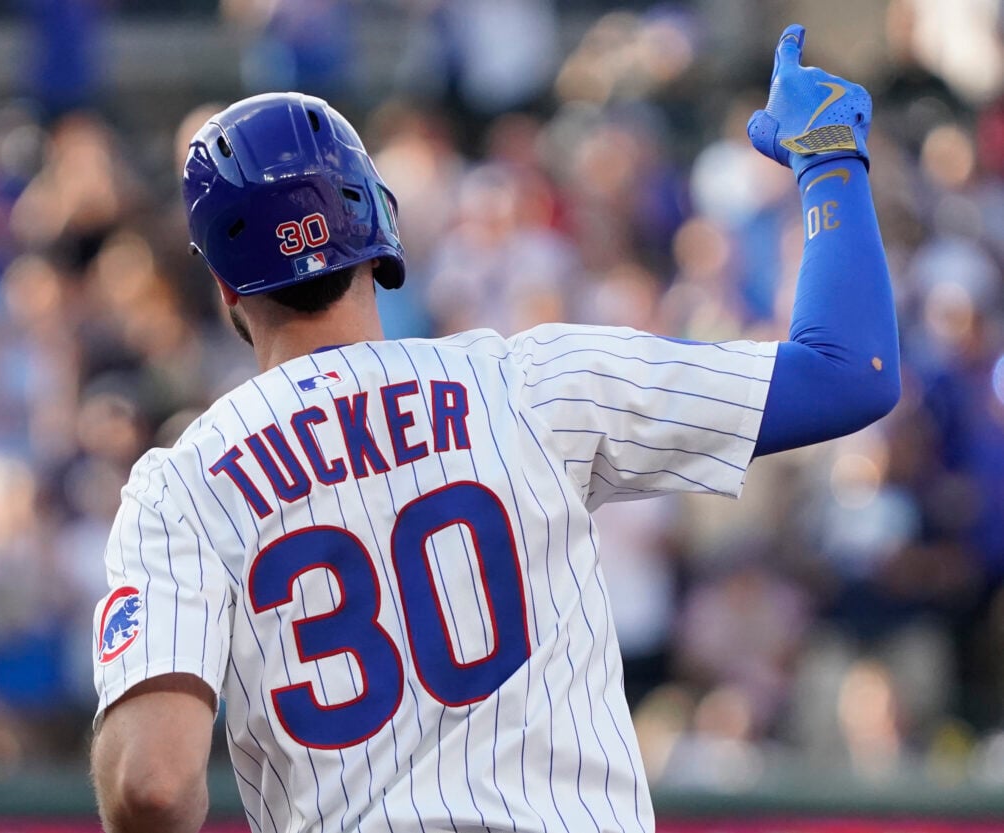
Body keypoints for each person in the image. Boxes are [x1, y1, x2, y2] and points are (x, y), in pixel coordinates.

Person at [89, 24, 899, 833]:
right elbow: (847, 370)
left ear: (226, 284)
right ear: (378, 224)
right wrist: (827, 154)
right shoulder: (526, 383)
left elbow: (151, 785)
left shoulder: (185, 483)